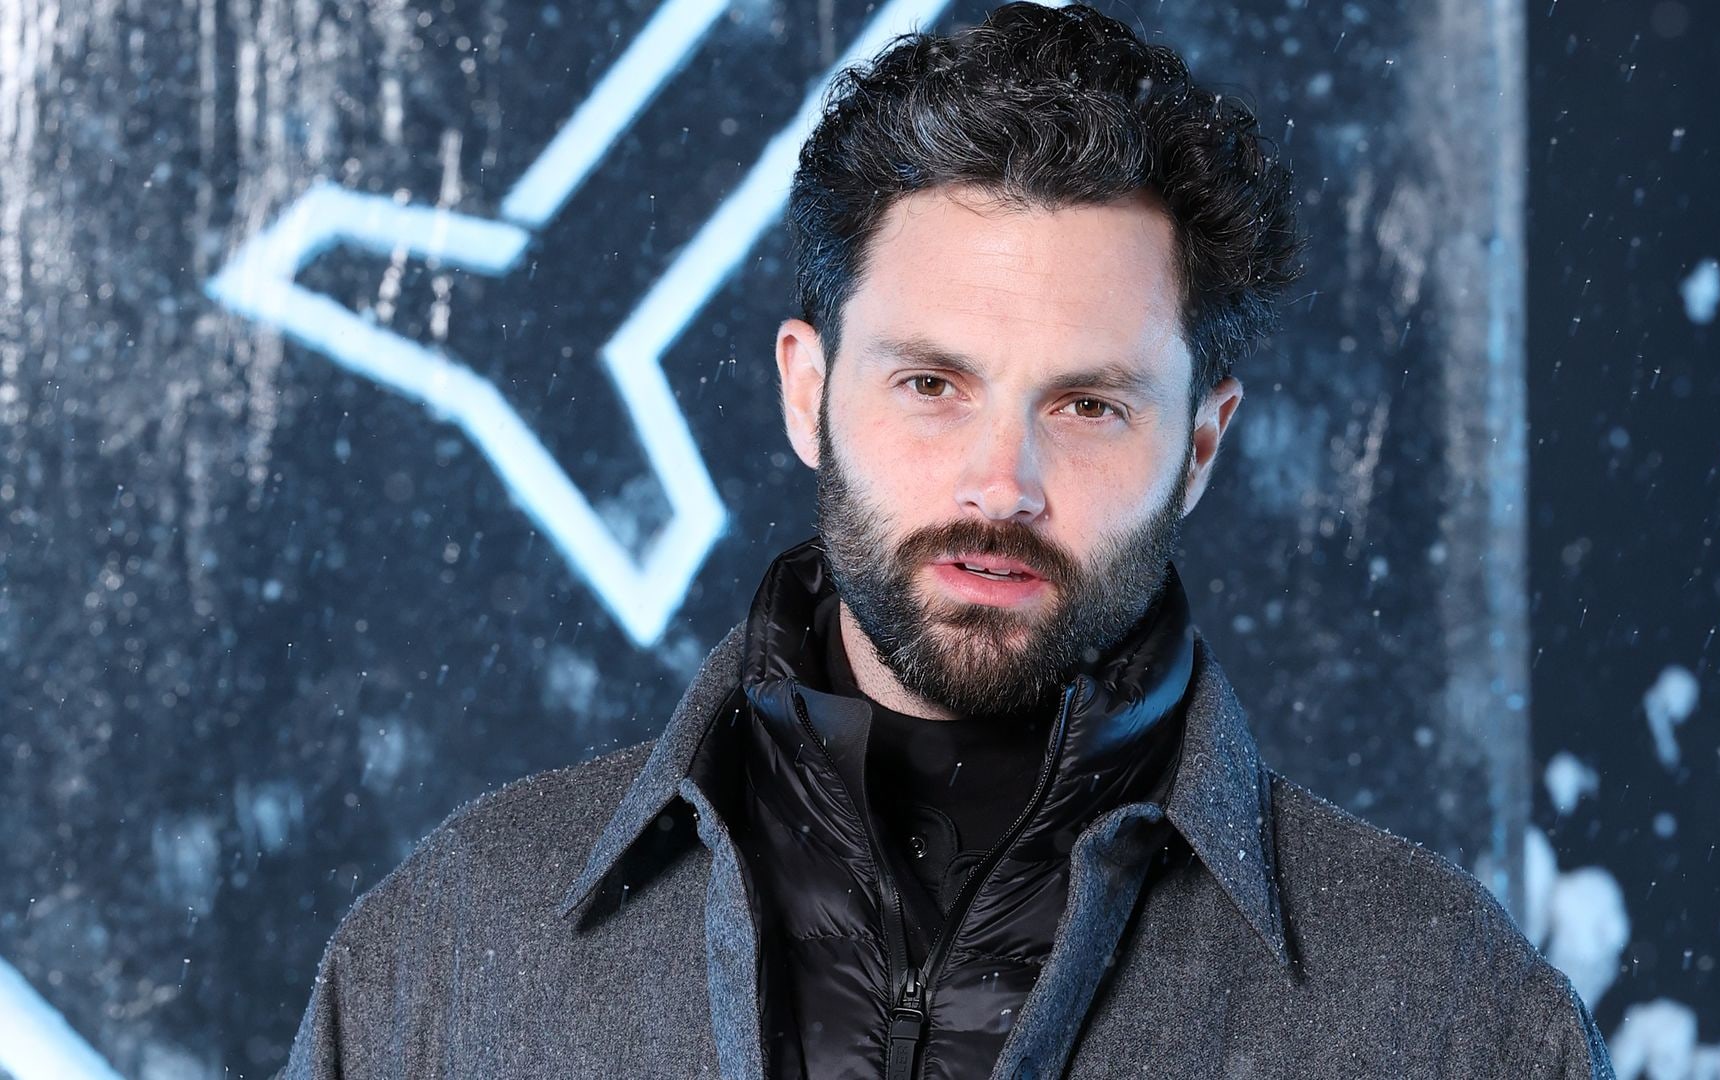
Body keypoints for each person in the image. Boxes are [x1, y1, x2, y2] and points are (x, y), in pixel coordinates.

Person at [279, 4, 1615, 1077]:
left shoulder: (1446, 1013)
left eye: (1087, 406)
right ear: (807, 390)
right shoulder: (453, 953)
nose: (1000, 484)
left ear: (1201, 445)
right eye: (933, 384)